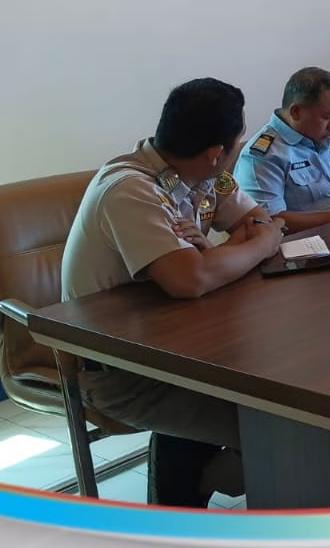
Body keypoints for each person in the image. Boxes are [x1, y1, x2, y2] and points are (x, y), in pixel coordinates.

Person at [61, 77, 285, 507]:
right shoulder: (131, 189)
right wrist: (257, 245)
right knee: (286, 422)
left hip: (190, 347)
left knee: (286, 386)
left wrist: (222, 252)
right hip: (124, 370)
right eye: (236, 143)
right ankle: (193, 492)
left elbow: (256, 219)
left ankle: (189, 489)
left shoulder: (208, 178)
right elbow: (191, 280)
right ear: (216, 151)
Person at [234, 67, 330, 233]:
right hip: (318, 239)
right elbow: (270, 221)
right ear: (296, 112)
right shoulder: (261, 157)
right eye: (327, 117)